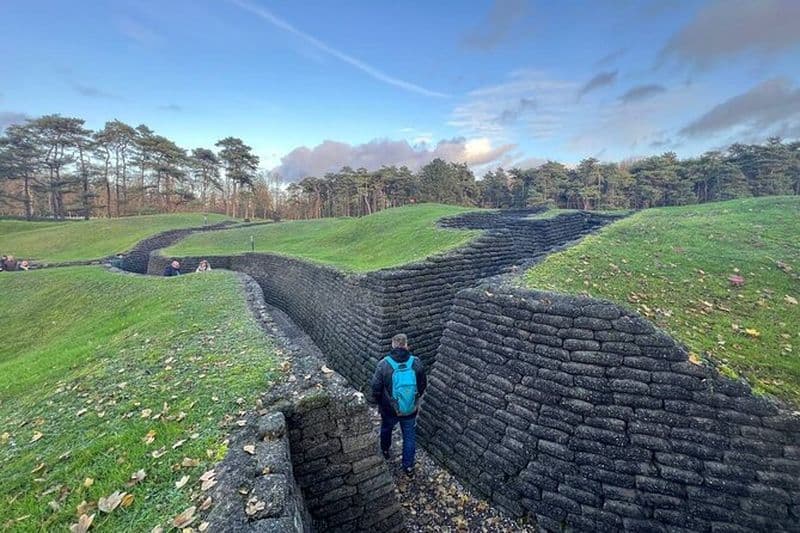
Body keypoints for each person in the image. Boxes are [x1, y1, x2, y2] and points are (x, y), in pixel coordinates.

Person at [371, 333, 427, 476]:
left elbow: (376, 388)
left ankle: (385, 449)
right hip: (410, 409)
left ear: (393, 345)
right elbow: (422, 384)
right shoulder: (416, 362)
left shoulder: (383, 364)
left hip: (389, 409)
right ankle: (408, 466)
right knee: (409, 436)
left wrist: (380, 404)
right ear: (406, 345)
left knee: (386, 429)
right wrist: (414, 399)